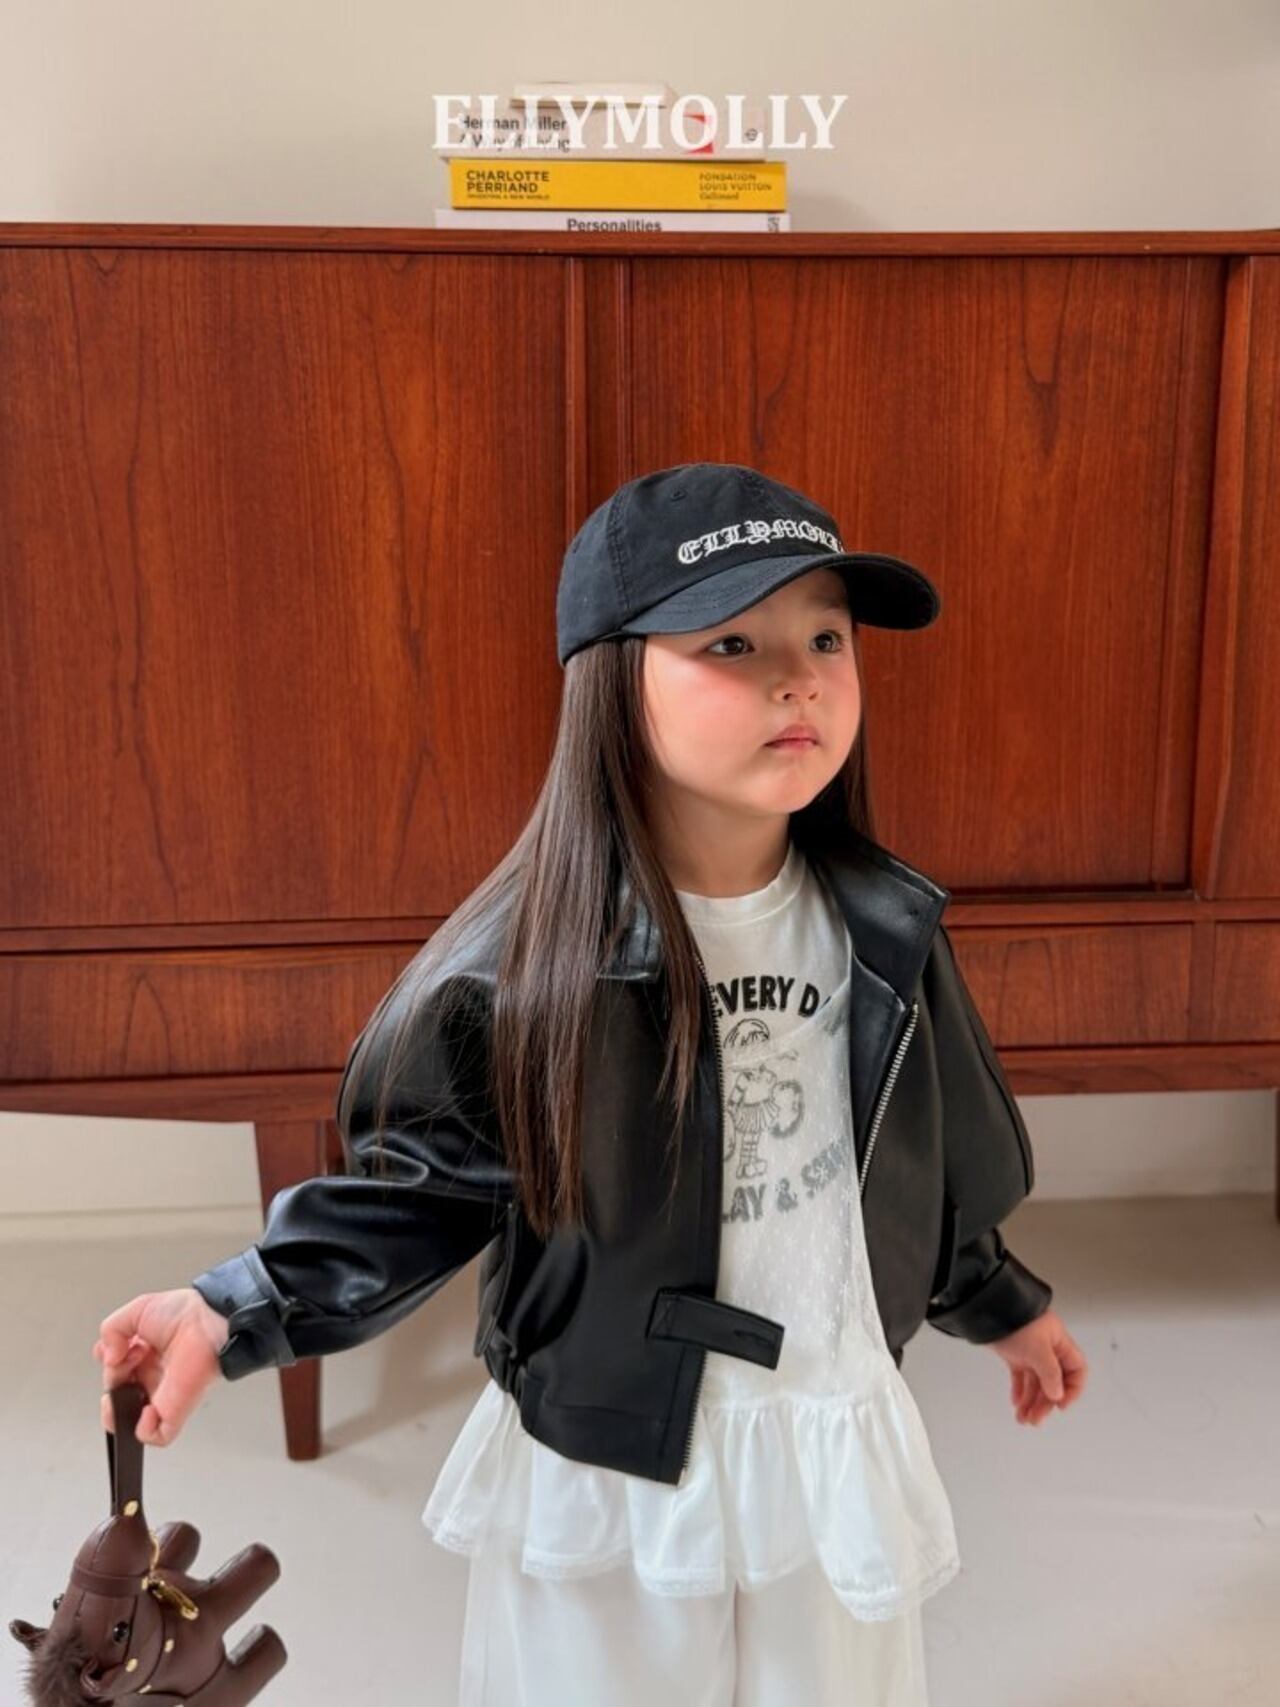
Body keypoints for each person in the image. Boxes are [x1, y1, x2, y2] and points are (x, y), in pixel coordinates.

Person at [95, 462, 1089, 1705]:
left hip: (823, 1429)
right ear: (611, 681)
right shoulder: (523, 974)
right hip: (615, 1454)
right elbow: (411, 1197)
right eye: (731, 642)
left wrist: (999, 1302)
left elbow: (917, 1162)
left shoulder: (882, 932)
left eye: (825, 637)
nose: (798, 677)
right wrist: (229, 1308)